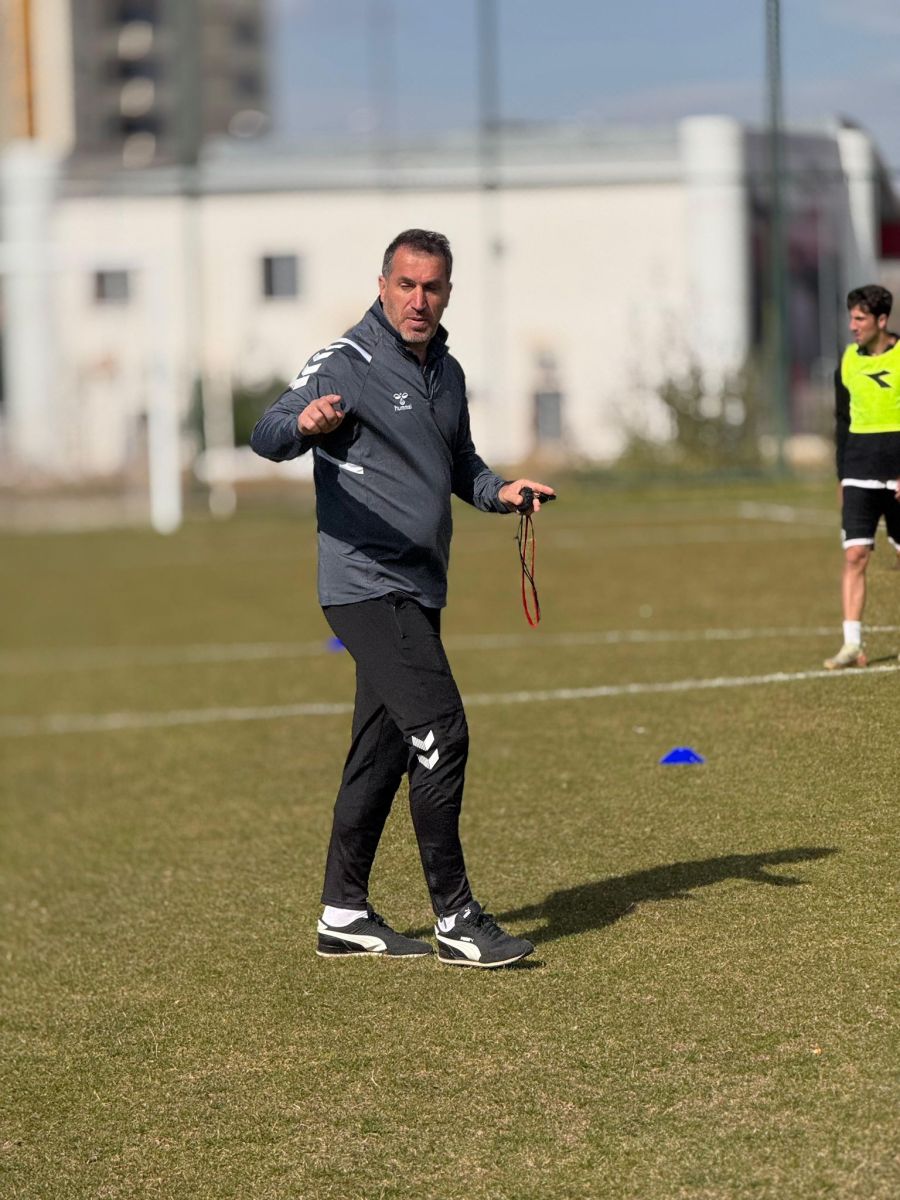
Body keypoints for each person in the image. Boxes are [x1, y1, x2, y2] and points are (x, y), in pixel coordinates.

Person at [250, 229, 555, 967]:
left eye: (433, 287)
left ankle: (343, 914)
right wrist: (305, 425)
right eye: (407, 285)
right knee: (442, 732)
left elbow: (459, 463)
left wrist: (500, 491)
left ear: (448, 293)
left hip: (419, 586)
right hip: (365, 585)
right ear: (383, 285)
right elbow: (267, 431)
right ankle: (456, 920)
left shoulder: (446, 370)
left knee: (380, 753)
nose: (419, 300)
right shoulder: (347, 361)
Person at [824, 284, 900, 669]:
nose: (852, 326)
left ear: (881, 320)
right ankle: (852, 644)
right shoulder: (848, 361)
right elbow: (842, 420)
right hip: (859, 470)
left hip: (897, 473)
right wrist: (842, 475)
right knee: (855, 554)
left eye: (860, 318)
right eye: (850, 318)